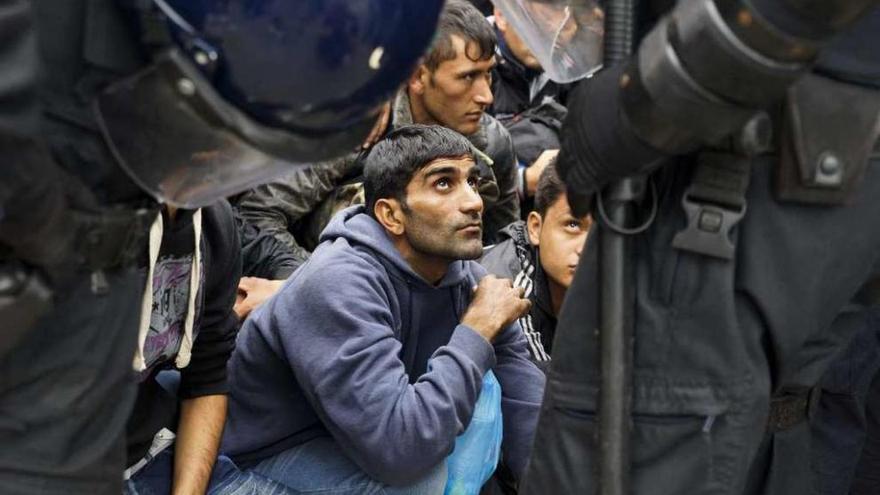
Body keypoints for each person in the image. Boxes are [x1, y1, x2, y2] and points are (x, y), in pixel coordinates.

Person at [0, 1, 445, 493]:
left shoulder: (211, 226)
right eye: (210, 127)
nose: (212, 160)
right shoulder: (46, 105)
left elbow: (208, 375)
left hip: (126, 440)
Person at [486, 0, 880, 493]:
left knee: (626, 442)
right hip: (797, 139)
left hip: (738, 144)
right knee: (805, 427)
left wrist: (651, 94)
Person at [221, 125, 545, 493]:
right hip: (263, 454)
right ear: (391, 215)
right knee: (425, 484)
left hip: (357, 438)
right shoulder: (339, 283)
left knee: (489, 411)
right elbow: (401, 452)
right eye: (443, 183)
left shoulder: (465, 276)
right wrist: (475, 330)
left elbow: (525, 401)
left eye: (471, 181)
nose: (473, 201)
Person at [237, 0, 521, 254]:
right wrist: (310, 286)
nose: (487, 96)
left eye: (488, 73)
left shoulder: (494, 145)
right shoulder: (357, 126)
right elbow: (258, 217)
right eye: (468, 77)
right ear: (418, 76)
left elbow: (504, 249)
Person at [480, 163, 591, 368]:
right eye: (573, 225)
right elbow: (541, 390)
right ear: (535, 228)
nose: (586, 248)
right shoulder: (508, 286)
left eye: (603, 233)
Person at [490, 7, 573, 211]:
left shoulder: (567, 65)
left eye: (556, 32)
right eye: (536, 29)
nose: (547, 42)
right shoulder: (468, 58)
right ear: (502, 16)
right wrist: (523, 179)